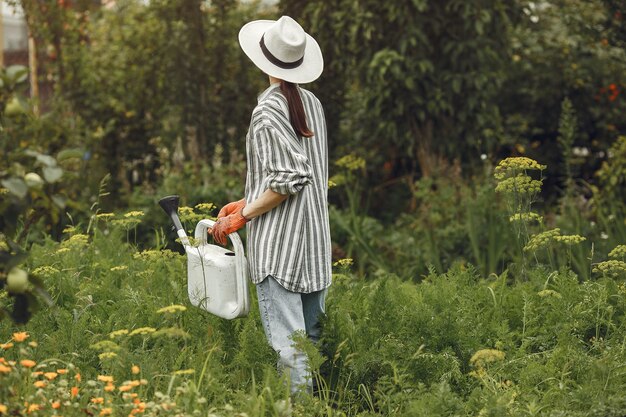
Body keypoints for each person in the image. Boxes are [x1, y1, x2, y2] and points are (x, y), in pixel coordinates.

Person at [210, 16, 332, 394]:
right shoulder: (311, 102)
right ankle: (315, 407)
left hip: (280, 249)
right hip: (313, 245)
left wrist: (241, 218)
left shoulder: (266, 111)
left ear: (262, 61)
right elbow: (297, 175)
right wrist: (245, 200)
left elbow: (289, 180)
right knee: (308, 343)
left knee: (289, 347)